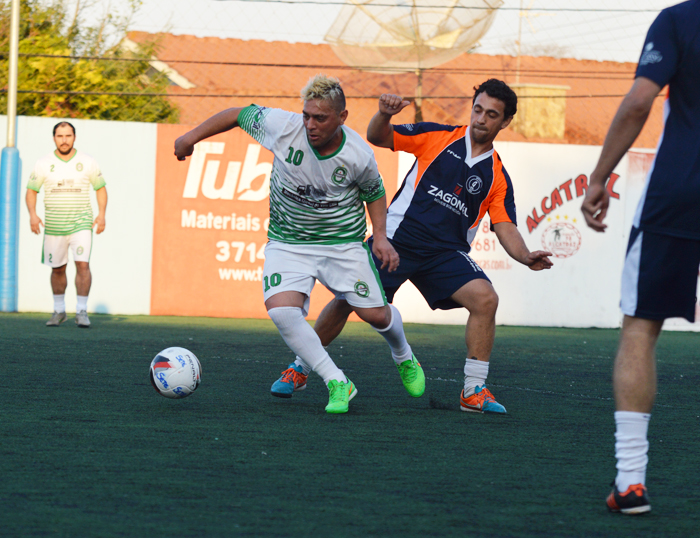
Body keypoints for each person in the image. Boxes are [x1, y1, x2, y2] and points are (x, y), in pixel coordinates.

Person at [271, 79, 553, 414]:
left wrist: (524, 255)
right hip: (396, 240)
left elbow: (505, 225)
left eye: (492, 115)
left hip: (446, 254)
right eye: (478, 109)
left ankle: (473, 390)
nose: (481, 119)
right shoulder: (437, 136)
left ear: (504, 122)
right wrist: (384, 114)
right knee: (348, 298)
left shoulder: (497, 175)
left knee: (486, 299)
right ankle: (301, 367)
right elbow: (379, 136)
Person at [174, 75, 424, 414]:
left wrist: (380, 236)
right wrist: (190, 137)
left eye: (320, 118)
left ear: (342, 117)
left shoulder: (358, 154)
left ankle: (403, 355)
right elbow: (236, 113)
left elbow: (374, 192)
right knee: (281, 311)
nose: (310, 124)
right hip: (287, 241)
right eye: (307, 115)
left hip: (342, 245)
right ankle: (336, 381)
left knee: (375, 315)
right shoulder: (283, 126)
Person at [581, 0, 700, 516]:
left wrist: (599, 176)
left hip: (681, 190)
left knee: (640, 327)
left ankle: (631, 481)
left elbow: (638, 103)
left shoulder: (680, 19)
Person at [26, 122, 107, 328]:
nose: (64, 140)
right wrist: (33, 215)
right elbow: (31, 190)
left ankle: (81, 311)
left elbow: (100, 188)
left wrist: (102, 214)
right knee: (58, 269)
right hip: (54, 226)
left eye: (68, 136)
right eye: (60, 136)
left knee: (83, 264)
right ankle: (59, 311)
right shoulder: (43, 163)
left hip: (81, 224)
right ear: (54, 138)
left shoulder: (87, 162)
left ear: (74, 137)